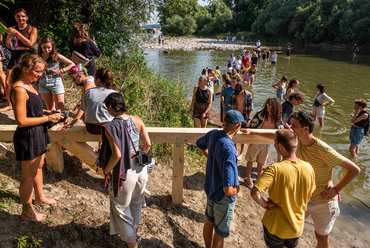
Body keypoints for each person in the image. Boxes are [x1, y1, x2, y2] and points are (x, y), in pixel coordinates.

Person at [244, 112, 361, 248]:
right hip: (303, 199)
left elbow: (354, 170)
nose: (290, 127)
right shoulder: (295, 141)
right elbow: (278, 136)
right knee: (290, 232)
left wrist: (336, 189)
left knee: (321, 237)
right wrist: (251, 131)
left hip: (323, 202)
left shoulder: (323, 149)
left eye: (294, 125)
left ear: (306, 129)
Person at [10, 54, 64, 221]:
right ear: (25, 69)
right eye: (38, 71)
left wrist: (45, 112)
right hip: (28, 136)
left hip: (38, 132)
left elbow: (31, 111)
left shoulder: (30, 84)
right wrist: (48, 119)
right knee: (28, 175)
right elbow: (21, 120)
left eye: (42, 71)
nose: (41, 75)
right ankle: (27, 212)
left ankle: (39, 197)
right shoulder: (19, 89)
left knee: (39, 166)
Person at [99, 92, 151, 248]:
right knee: (136, 203)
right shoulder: (137, 120)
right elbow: (147, 145)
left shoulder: (110, 126)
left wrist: (106, 170)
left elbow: (117, 155)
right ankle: (133, 232)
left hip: (124, 170)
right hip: (141, 169)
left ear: (110, 107)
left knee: (121, 209)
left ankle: (132, 243)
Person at [251, 129, 315, 248]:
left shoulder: (275, 169)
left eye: (274, 142)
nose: (274, 144)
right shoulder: (308, 168)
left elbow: (255, 192)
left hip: (276, 225)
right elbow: (309, 195)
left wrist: (265, 204)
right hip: (296, 226)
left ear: (280, 146)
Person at [196, 110, 243, 248]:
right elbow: (228, 189)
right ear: (238, 126)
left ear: (224, 122)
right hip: (222, 197)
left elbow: (199, 143)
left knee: (209, 221)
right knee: (220, 232)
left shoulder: (213, 133)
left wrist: (210, 156)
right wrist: (236, 190)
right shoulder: (229, 149)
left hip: (211, 189)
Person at [1, 8, 38, 112]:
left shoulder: (32, 29)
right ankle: (10, 104)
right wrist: (9, 36)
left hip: (26, 55)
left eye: (22, 16)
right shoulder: (12, 28)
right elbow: (8, 46)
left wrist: (17, 33)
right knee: (8, 82)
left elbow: (30, 43)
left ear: (26, 17)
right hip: (14, 54)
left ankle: (30, 102)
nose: (20, 18)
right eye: (18, 16)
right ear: (15, 17)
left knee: (28, 80)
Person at [244, 98, 282, 189]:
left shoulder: (278, 118)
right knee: (250, 160)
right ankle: (248, 180)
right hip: (256, 140)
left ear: (276, 107)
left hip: (267, 142)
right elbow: (252, 126)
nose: (268, 106)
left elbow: (280, 130)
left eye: (270, 105)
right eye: (267, 104)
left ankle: (258, 179)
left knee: (261, 162)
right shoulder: (261, 114)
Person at [37, 36, 74, 112]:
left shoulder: (57, 56)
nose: (46, 50)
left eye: (49, 47)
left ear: (52, 47)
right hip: (42, 82)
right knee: (50, 109)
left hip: (55, 81)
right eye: (44, 47)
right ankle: (54, 123)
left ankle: (64, 123)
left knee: (61, 108)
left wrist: (61, 71)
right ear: (40, 47)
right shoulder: (38, 57)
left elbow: (72, 64)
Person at [79, 68, 117, 135]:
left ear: (98, 80)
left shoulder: (89, 92)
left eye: (94, 78)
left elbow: (82, 110)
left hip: (92, 128)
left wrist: (72, 123)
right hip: (109, 129)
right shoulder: (115, 94)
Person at [62, 64, 96, 129]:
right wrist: (80, 102)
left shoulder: (88, 85)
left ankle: (90, 130)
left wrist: (72, 123)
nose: (74, 81)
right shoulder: (89, 77)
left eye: (74, 79)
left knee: (83, 113)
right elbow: (84, 97)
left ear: (80, 76)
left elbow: (83, 107)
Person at [228, 80, 254, 160]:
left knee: (243, 134)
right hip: (235, 116)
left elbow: (250, 108)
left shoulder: (248, 95)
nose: (238, 93)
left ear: (244, 88)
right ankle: (235, 150)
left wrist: (249, 119)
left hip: (245, 117)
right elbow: (231, 106)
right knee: (235, 133)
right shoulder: (233, 94)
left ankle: (241, 153)